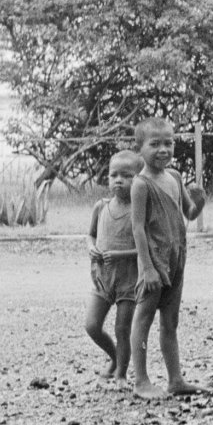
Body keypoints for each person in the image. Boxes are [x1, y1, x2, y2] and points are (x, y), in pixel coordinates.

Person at [128, 115, 207, 399]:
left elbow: (189, 213)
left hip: (176, 258)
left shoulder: (174, 176)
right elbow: (137, 229)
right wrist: (147, 267)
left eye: (168, 143)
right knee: (143, 319)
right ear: (140, 148)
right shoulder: (141, 184)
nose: (163, 150)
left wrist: (200, 200)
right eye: (155, 144)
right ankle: (141, 381)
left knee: (170, 322)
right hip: (154, 260)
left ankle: (175, 379)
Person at [85, 148, 143, 378]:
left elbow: (147, 248)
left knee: (122, 329)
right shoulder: (101, 207)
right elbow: (90, 235)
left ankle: (121, 373)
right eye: (114, 175)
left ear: (139, 180)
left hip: (128, 281)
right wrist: (91, 247)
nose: (119, 180)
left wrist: (120, 255)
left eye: (127, 176)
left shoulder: (139, 211)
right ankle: (114, 357)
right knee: (92, 325)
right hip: (103, 278)